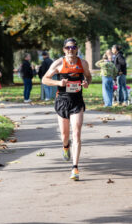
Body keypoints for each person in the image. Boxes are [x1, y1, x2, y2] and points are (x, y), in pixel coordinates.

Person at [42, 38, 92, 181]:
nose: (71, 50)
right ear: (64, 49)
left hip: (77, 101)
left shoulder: (83, 63)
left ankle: (75, 167)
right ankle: (65, 147)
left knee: (76, 133)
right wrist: (58, 82)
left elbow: (89, 77)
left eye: (73, 47)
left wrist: (86, 83)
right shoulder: (58, 63)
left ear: (77, 49)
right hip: (62, 101)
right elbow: (44, 79)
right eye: (68, 48)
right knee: (65, 135)